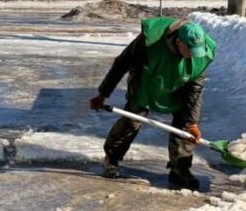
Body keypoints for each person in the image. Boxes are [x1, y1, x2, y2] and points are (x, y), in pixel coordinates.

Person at [89, 17, 216, 190]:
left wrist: (192, 122)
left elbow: (195, 90)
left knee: (184, 126)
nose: (193, 56)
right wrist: (103, 93)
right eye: (189, 51)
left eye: (197, 51)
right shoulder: (150, 41)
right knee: (132, 120)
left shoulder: (203, 53)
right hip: (147, 81)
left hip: (180, 84)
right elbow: (122, 63)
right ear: (178, 41)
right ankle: (112, 158)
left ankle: (180, 169)